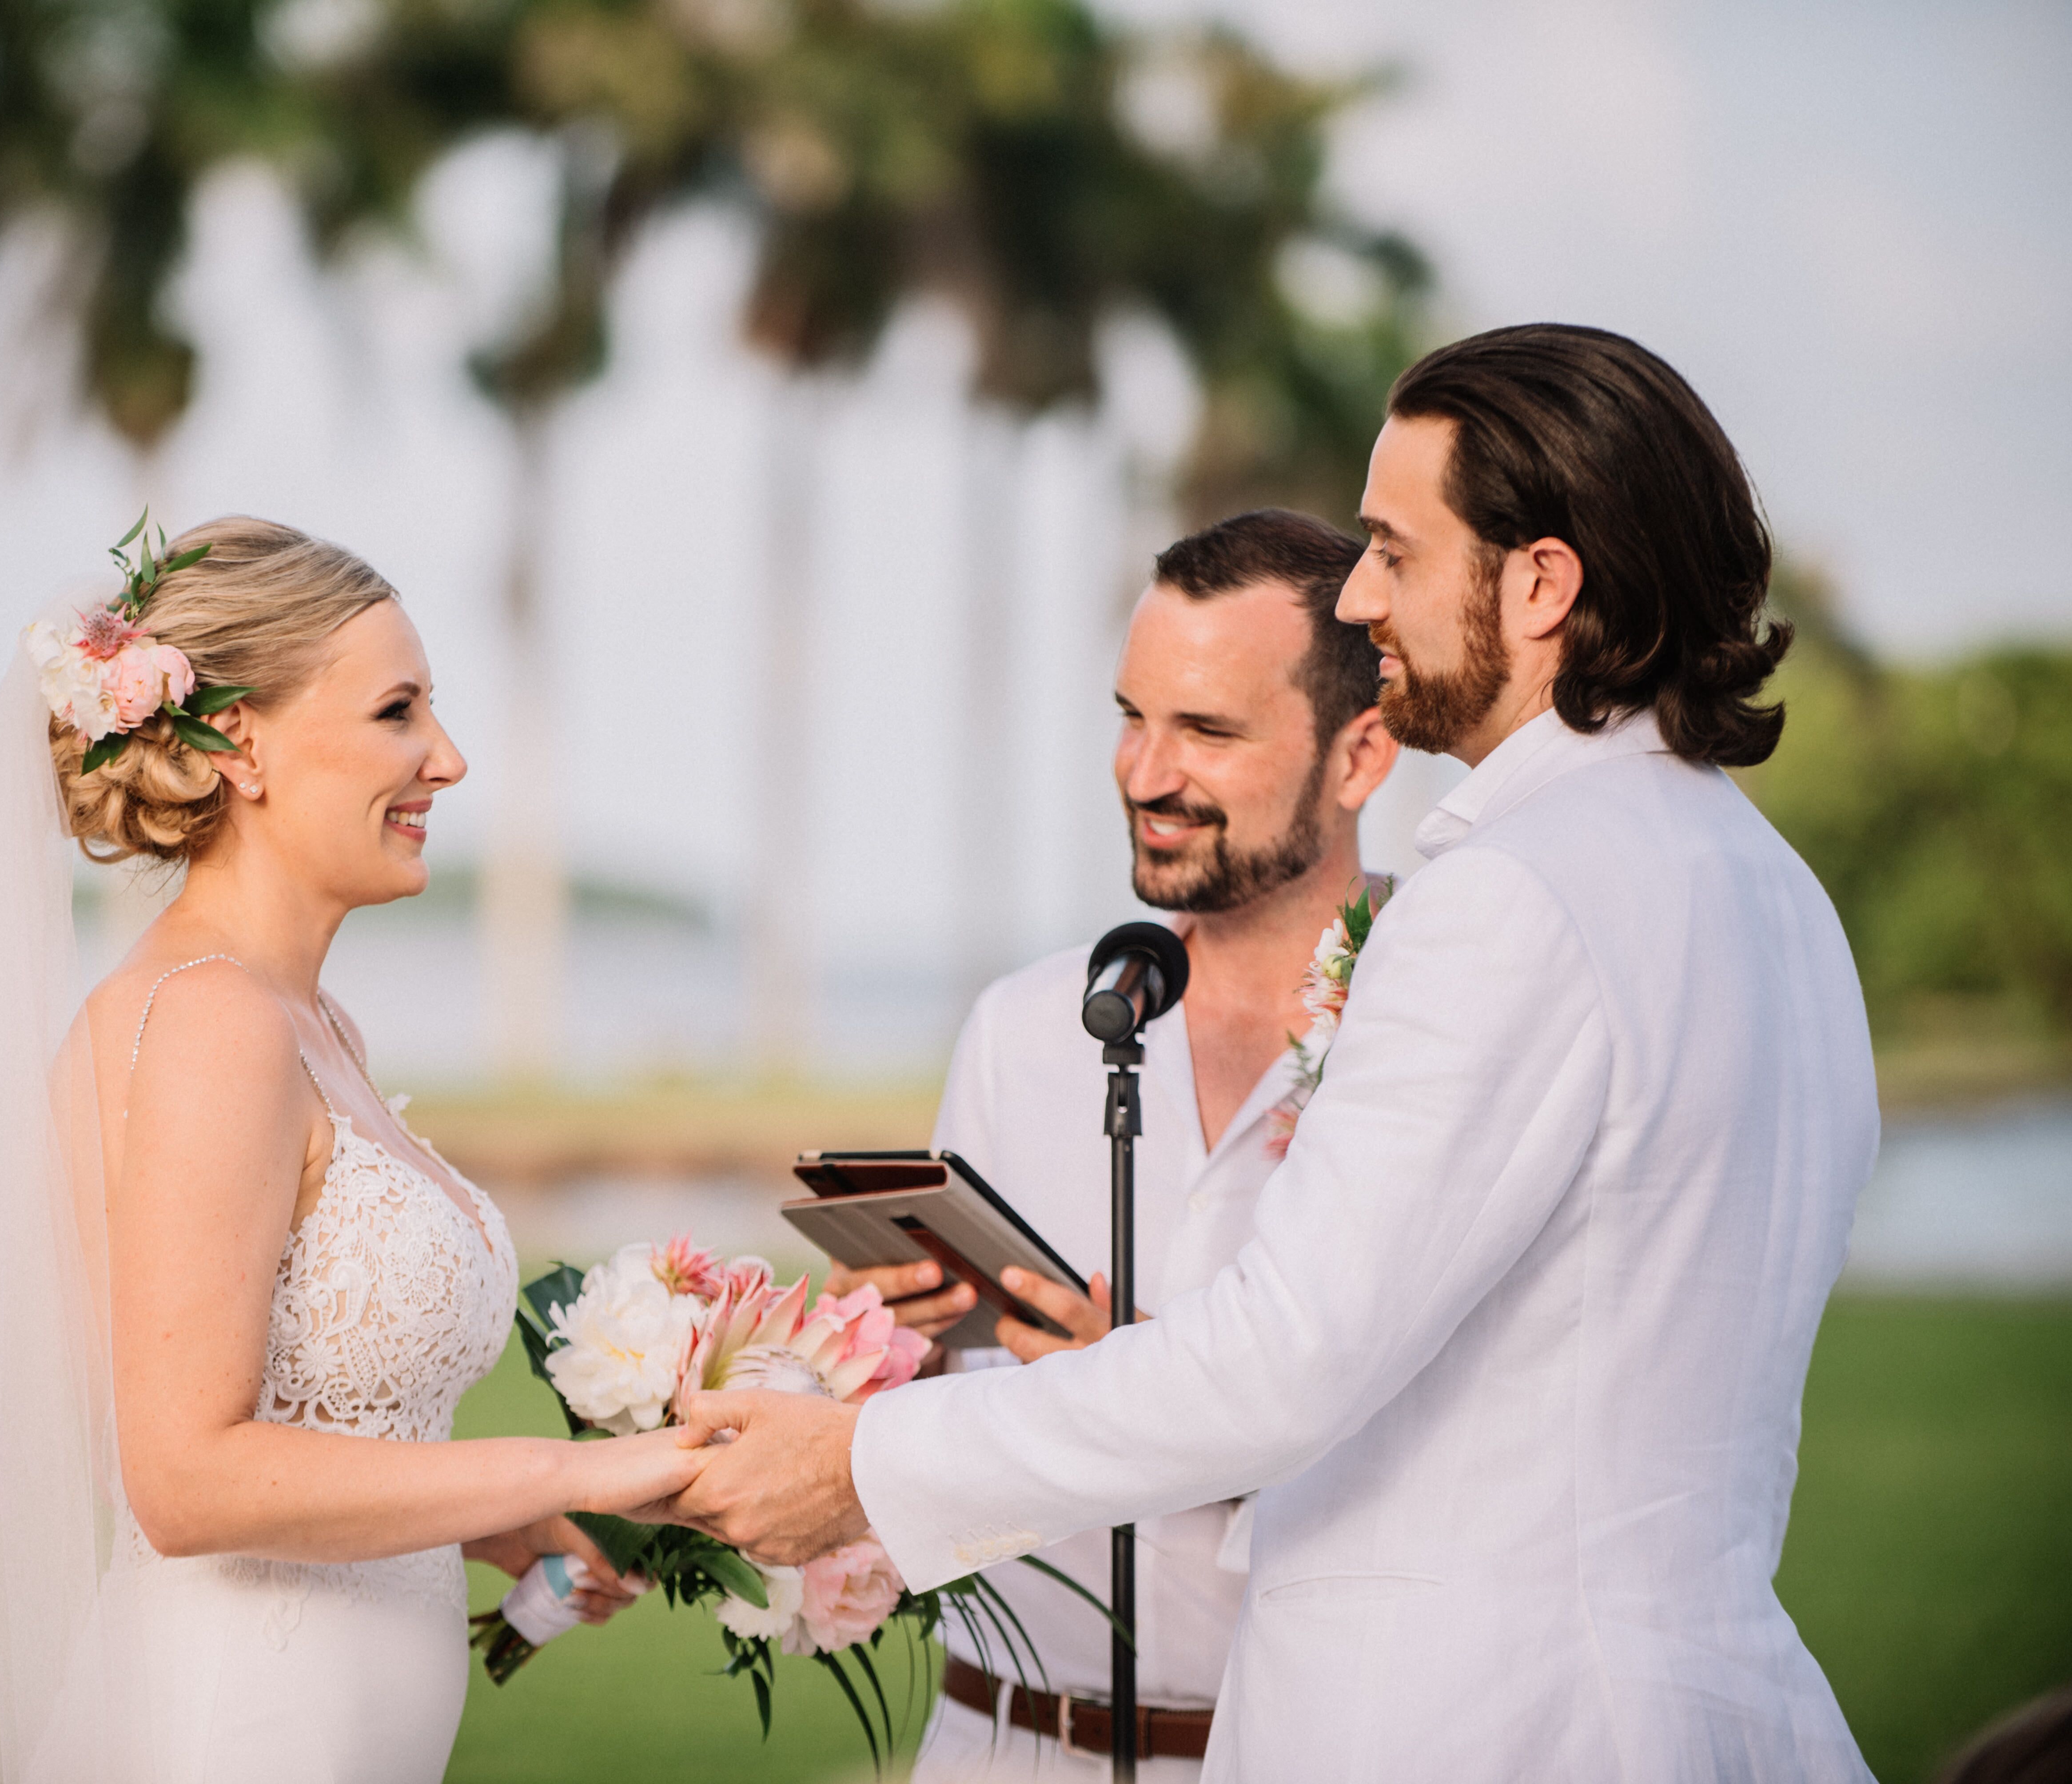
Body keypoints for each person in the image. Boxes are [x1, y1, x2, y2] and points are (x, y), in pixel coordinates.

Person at [671, 323, 1880, 1781]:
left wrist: (863, 1466)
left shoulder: (1509, 894)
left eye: (1394, 551)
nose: (1364, 599)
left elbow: (1282, 1364)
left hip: (1482, 1729)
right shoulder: (1779, 897)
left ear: (1542, 584)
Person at [0, 518, 702, 1784]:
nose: (449, 759)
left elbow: (287, 1409)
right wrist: (576, 1464)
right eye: (398, 712)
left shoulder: (308, 1025)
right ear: (242, 743)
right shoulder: (214, 1026)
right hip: (242, 1732)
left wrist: (503, 1520)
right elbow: (182, 1477)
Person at [825, 510, 1395, 1780]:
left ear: (1364, 754)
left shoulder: (1433, 1043)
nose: (1144, 772)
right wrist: (880, 1348)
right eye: (1131, 717)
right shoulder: (1024, 1028)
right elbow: (954, 1423)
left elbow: (1456, 1469)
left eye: (1207, 730)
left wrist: (1137, 1393)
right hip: (999, 1746)